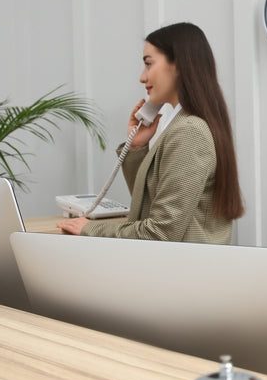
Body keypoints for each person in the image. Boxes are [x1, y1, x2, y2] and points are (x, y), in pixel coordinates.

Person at [58, 22, 243, 243]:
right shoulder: (185, 125)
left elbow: (160, 232)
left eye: (148, 64)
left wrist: (92, 229)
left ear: (179, 65)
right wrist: (136, 147)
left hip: (182, 272)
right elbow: (150, 206)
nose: (142, 77)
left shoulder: (189, 132)